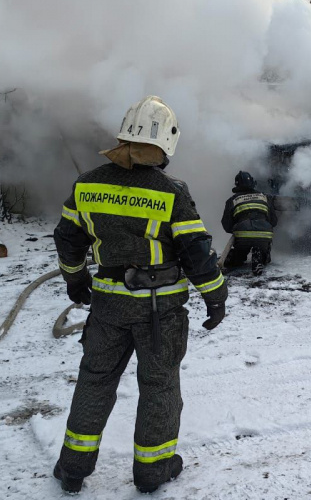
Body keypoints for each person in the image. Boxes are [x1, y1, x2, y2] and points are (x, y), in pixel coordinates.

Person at [52, 96, 228, 494]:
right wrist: (215, 297)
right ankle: (152, 471)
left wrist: (74, 278)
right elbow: (196, 254)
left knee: (94, 382)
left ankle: (73, 469)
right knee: (159, 386)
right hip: (158, 311)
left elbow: (67, 238)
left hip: (107, 306)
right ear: (166, 144)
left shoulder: (88, 183)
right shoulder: (172, 192)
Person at [221, 171, 277, 275]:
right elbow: (273, 221)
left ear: (237, 185)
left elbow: (226, 225)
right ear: (252, 182)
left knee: (237, 260)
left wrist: (237, 227)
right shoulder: (264, 197)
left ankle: (236, 258)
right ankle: (260, 256)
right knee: (265, 255)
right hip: (264, 234)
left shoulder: (232, 200)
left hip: (243, 235)